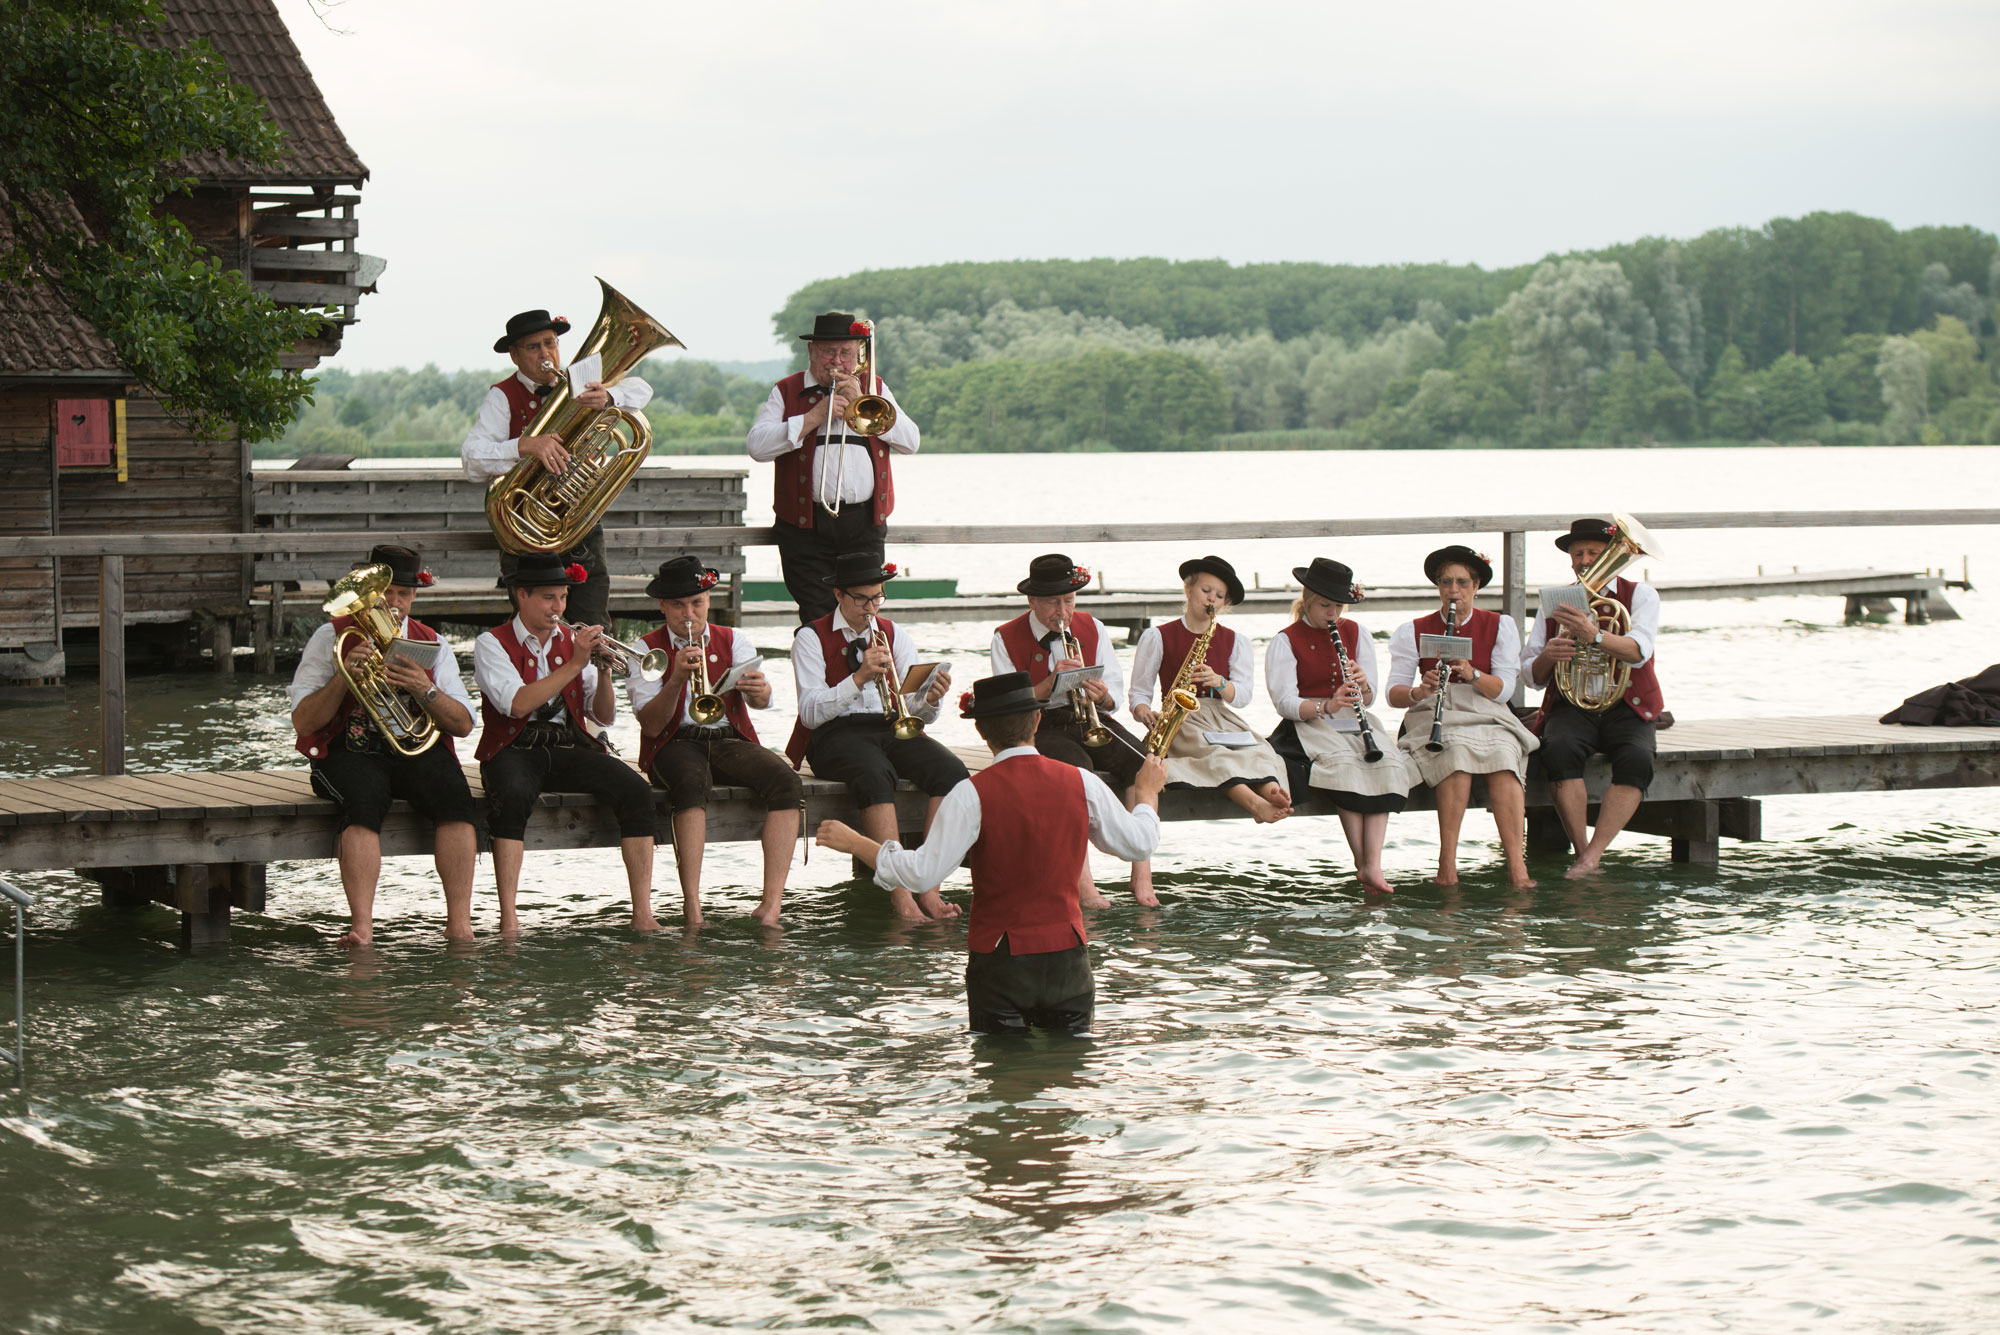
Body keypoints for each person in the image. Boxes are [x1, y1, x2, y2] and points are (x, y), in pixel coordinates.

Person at [815, 672, 1167, 1036]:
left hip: (1000, 964)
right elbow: (1139, 843)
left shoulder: (969, 794)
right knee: (1068, 1077)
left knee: (1001, 1077)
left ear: (981, 732)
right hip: (1068, 961)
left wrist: (859, 844)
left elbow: (922, 873)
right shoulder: (1082, 782)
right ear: (1037, 720)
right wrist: (1146, 794)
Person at [289, 545, 477, 947]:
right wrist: (344, 675)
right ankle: (363, 928)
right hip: (348, 749)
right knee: (363, 799)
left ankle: (459, 924)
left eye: (403, 594)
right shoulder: (331, 637)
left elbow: (462, 724)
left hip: (413, 748)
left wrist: (425, 690)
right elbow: (303, 722)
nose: (393, 603)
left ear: (414, 596)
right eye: (386, 593)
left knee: (456, 800)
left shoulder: (433, 643)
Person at [472, 556, 659, 933]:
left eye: (562, 597)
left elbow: (603, 717)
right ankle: (509, 918)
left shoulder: (572, 644)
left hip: (566, 745)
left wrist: (604, 671)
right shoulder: (491, 643)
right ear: (520, 595)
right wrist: (576, 662)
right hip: (514, 746)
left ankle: (642, 913)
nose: (558, 608)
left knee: (637, 792)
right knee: (510, 797)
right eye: (548, 598)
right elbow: (518, 704)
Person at [786, 551, 964, 920]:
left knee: (950, 771)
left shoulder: (894, 634)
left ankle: (929, 888)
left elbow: (913, 709)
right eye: (862, 598)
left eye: (877, 597)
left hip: (888, 725)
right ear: (839, 595)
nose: (871, 607)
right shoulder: (810, 637)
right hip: (833, 733)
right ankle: (901, 897)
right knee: (874, 773)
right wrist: (858, 678)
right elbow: (811, 711)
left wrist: (930, 699)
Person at [630, 556, 801, 927]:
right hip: (672, 741)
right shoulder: (646, 651)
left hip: (727, 736)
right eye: (678, 605)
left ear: (709, 600)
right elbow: (651, 725)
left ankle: (771, 904)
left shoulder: (734, 640)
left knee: (787, 782)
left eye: (697, 603)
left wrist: (761, 690)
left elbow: (759, 702)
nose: (689, 614)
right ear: (662, 606)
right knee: (691, 785)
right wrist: (675, 678)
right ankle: (693, 907)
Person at [460, 307, 654, 629]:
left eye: (550, 343)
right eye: (533, 347)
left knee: (592, 622)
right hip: (526, 532)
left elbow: (642, 390)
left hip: (579, 524)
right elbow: (472, 461)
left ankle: (594, 678)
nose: (546, 354)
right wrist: (524, 446)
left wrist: (610, 396)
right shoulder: (502, 395)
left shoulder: (579, 378)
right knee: (537, 628)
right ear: (515, 356)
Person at [990, 552, 1158, 907]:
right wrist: (1050, 684)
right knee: (1074, 773)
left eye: (1069, 601)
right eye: (1052, 602)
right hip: (1040, 723)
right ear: (1032, 600)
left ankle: (1141, 876)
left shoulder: (1092, 627)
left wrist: (1103, 697)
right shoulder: (1005, 638)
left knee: (1144, 763)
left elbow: (1113, 692)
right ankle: (1085, 887)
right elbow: (1008, 704)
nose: (1062, 612)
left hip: (1090, 717)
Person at [745, 312, 921, 623]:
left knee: (864, 612)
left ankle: (862, 670)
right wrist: (813, 417)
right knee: (817, 617)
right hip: (804, 529)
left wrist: (866, 400)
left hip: (864, 525)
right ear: (811, 352)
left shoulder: (875, 388)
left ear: (858, 355)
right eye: (828, 352)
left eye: (845, 353)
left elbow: (911, 442)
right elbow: (757, 446)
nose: (837, 361)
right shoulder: (787, 390)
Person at [1387, 545, 1540, 889]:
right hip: (1434, 710)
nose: (1453, 591)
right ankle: (1447, 865)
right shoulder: (1412, 630)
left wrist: (1472, 675)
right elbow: (1394, 695)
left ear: (1475, 586)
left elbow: (1503, 691)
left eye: (1462, 583)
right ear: (1438, 587)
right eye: (1446, 583)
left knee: (1503, 759)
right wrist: (1419, 691)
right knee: (1454, 758)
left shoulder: (1500, 625)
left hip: (1485, 708)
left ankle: (1517, 868)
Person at [1265, 557, 1419, 894]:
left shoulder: (1356, 633)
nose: (1333, 614)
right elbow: (1284, 702)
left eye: (1338, 606)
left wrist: (1362, 687)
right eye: (1324, 605)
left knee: (1389, 764)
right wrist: (1327, 705)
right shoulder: (1285, 640)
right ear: (1307, 599)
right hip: (1309, 722)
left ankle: (1372, 865)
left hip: (1353, 720)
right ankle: (1362, 863)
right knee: (1346, 766)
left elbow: (1371, 696)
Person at [1522, 517, 1665, 878]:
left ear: (1612, 556)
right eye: (1578, 553)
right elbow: (1531, 675)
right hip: (1573, 704)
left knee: (1637, 758)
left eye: (1594, 553)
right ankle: (1582, 851)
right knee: (1558, 750)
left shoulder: (1641, 596)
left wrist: (1594, 635)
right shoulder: (1554, 601)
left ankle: (1592, 856)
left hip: (1626, 704)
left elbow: (1638, 651)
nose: (1585, 560)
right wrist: (1548, 657)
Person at [1129, 555, 1292, 823]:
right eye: (1206, 591)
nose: (1211, 599)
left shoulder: (1235, 640)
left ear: (1224, 603)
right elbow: (1139, 693)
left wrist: (1220, 682)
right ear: (1189, 590)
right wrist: (1144, 711)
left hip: (1221, 715)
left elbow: (1243, 697)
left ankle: (1270, 791)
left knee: (1261, 750)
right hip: (1181, 718)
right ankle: (1256, 805)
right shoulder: (1157, 636)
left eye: (1219, 596)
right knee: (1216, 755)